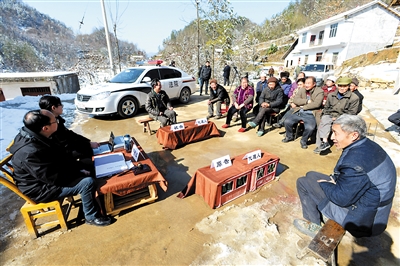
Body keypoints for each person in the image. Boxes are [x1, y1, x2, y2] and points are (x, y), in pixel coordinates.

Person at [294, 114, 396, 238]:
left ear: (354, 135)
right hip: (371, 208)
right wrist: (333, 180)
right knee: (311, 175)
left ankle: (314, 226)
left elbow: (341, 199)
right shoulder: (367, 145)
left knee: (303, 182)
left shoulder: (355, 164)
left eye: (336, 133)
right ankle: (320, 214)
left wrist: (325, 184)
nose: (332, 138)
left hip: (362, 221)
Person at [9, 109, 111, 226]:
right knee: (87, 183)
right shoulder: (29, 152)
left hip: (49, 174)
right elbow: (53, 177)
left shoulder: (36, 134)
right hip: (40, 188)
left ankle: (97, 199)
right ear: (45, 128)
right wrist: (78, 172)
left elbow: (59, 158)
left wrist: (78, 166)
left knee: (87, 162)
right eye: (55, 121)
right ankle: (91, 216)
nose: (58, 122)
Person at [39, 95, 99, 170]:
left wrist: (87, 142)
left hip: (64, 150)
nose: (62, 107)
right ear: (53, 108)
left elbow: (69, 134)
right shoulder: (50, 125)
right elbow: (66, 141)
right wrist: (87, 144)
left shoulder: (57, 119)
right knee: (86, 152)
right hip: (59, 155)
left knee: (87, 148)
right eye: (60, 105)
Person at [314, 77, 359, 154]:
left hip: (344, 117)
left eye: (344, 86)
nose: (342, 88)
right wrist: (329, 115)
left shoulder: (354, 98)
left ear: (348, 86)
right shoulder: (331, 95)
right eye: (340, 86)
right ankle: (323, 142)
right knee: (324, 121)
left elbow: (352, 113)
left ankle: (341, 145)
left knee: (340, 126)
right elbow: (327, 108)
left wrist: (338, 118)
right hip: (331, 114)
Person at [281, 76, 324, 149]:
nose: (306, 85)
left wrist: (303, 107)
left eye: (308, 83)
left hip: (311, 113)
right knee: (287, 121)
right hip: (299, 111)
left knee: (310, 128)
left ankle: (304, 140)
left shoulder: (319, 91)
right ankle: (289, 136)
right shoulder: (302, 90)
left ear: (314, 84)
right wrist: (306, 101)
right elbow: (295, 100)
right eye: (306, 83)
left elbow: (317, 104)